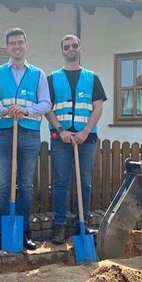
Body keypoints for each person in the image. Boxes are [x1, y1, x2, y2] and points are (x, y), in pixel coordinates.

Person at [0, 28, 52, 252]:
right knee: (3, 185)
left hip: (29, 133)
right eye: (12, 43)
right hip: (5, 133)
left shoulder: (38, 74)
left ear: (27, 45)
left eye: (20, 42)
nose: (17, 46)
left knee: (25, 185)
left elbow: (46, 103)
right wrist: (7, 110)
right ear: (7, 47)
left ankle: (24, 233)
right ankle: (0, 233)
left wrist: (25, 110)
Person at [46, 34, 106, 245]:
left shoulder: (92, 78)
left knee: (85, 183)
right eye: (66, 47)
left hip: (85, 139)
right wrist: (61, 130)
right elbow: (47, 108)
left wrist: (85, 131)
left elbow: (98, 107)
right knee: (61, 183)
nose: (70, 49)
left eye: (74, 45)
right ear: (62, 51)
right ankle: (60, 226)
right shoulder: (52, 78)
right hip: (60, 137)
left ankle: (83, 223)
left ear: (80, 48)